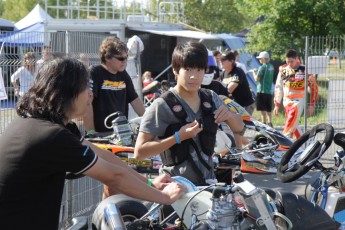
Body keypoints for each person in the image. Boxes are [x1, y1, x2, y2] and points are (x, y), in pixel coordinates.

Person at [0, 58, 185, 230]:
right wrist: (164, 197)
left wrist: (151, 183)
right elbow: (114, 177)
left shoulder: (43, 124)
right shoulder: (51, 136)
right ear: (66, 92)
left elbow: (107, 158)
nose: (90, 94)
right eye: (85, 87)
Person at [134, 41, 244, 185]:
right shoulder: (162, 105)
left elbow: (239, 129)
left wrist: (229, 115)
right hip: (175, 188)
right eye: (188, 69)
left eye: (199, 70)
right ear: (175, 70)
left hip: (208, 186)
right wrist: (178, 137)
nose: (194, 76)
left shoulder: (211, 97)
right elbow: (140, 152)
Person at [83, 36, 145, 134]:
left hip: (121, 133)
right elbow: (87, 104)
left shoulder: (124, 75)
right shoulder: (95, 73)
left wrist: (149, 124)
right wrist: (91, 132)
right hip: (100, 134)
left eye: (126, 57)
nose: (124, 61)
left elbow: (135, 100)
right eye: (121, 58)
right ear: (107, 57)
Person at [274, 49, 319, 139]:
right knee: (294, 127)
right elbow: (278, 87)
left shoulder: (305, 71)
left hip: (298, 102)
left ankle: (283, 144)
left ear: (296, 59)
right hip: (286, 102)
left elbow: (314, 87)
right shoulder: (283, 70)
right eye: (288, 61)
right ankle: (304, 146)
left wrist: (312, 105)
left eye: (292, 61)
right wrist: (277, 104)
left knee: (290, 124)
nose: (290, 63)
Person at [220, 50, 255, 115]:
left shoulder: (238, 72)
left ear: (231, 61)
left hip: (246, 105)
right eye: (220, 59)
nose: (221, 61)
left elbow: (229, 89)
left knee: (244, 124)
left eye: (223, 59)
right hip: (234, 106)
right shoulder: (223, 74)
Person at [253, 51, 274, 127]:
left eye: (260, 59)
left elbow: (257, 79)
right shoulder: (271, 66)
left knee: (262, 108)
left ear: (264, 59)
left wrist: (254, 72)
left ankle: (263, 122)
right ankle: (270, 122)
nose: (259, 60)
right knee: (268, 107)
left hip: (261, 90)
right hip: (269, 90)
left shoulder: (262, 67)